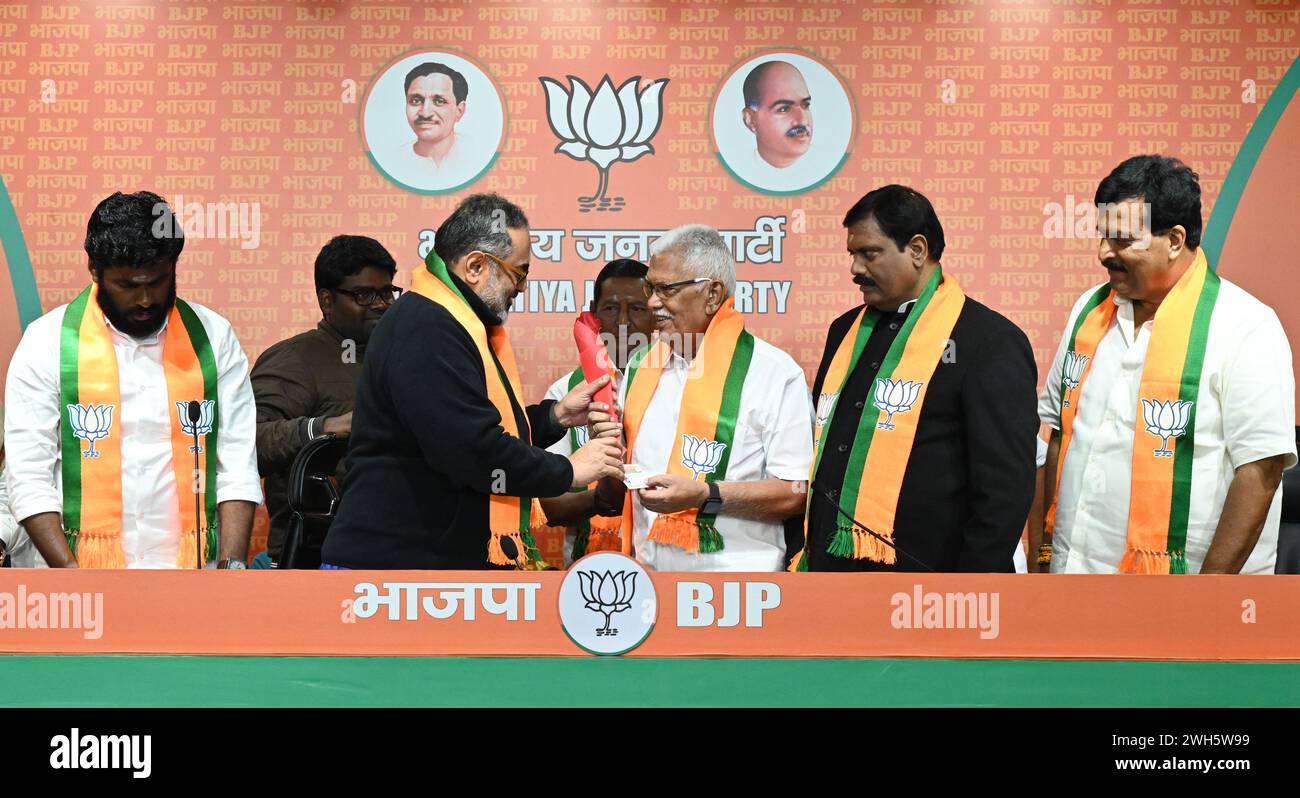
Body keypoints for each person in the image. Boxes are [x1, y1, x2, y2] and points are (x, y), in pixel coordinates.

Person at [320, 193, 623, 569]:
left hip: (421, 563)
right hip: (397, 572)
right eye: (519, 272)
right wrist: (570, 470)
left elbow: (473, 423)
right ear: (476, 265)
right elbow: (471, 449)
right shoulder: (427, 327)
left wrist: (555, 416)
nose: (522, 288)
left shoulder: (446, 319)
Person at [1035, 155, 1296, 574]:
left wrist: (1204, 600)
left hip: (1185, 591)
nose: (1104, 253)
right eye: (1102, 236)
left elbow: (1261, 468)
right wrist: (1043, 557)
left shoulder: (1246, 326)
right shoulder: (1088, 310)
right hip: (1074, 576)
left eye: (1122, 240)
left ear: (1175, 240)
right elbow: (1058, 435)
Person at [2, 191, 261, 569]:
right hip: (69, 573)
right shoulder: (46, 343)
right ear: (95, 270)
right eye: (127, 285)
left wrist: (231, 566)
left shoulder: (213, 338)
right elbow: (29, 476)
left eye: (157, 281)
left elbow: (236, 463)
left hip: (187, 571)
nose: (144, 299)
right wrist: (76, 583)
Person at [790, 185, 1038, 573]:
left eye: (869, 253)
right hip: (830, 574)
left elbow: (1004, 489)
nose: (855, 268)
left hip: (931, 583)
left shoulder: (988, 340)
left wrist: (971, 590)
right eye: (852, 254)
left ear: (917, 250)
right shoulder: (844, 331)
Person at [592, 224, 813, 571]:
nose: (651, 303)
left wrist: (705, 496)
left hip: (740, 593)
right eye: (651, 288)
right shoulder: (640, 366)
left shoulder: (774, 373)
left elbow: (795, 493)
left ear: (712, 294)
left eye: (666, 290)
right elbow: (616, 490)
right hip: (649, 586)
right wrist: (605, 448)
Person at [250, 235, 399, 566]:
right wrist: (324, 427)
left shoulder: (402, 359)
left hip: (397, 555)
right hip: (316, 561)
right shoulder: (294, 359)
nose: (380, 303)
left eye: (387, 292)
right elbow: (248, 444)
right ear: (327, 300)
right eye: (363, 294)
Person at [540, 258, 653, 564]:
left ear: (657, 312)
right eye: (611, 308)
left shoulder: (677, 385)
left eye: (638, 309)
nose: (624, 322)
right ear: (593, 311)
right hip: (587, 564)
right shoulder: (567, 393)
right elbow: (552, 505)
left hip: (664, 560)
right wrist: (604, 498)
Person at [386, 62, 469, 181]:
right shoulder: (393, 161)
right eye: (415, 101)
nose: (425, 113)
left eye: (439, 101)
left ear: (459, 111)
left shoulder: (477, 154)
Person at [742, 60, 813, 171]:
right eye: (784, 109)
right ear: (750, 120)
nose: (803, 121)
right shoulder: (742, 168)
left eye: (805, 105)